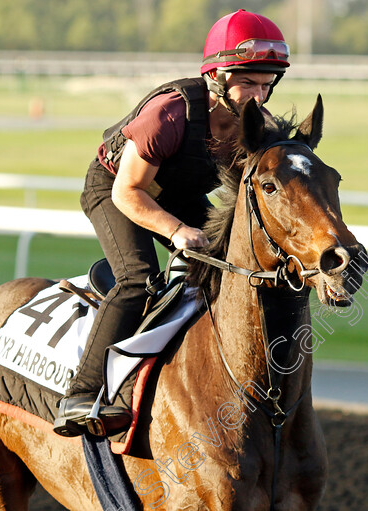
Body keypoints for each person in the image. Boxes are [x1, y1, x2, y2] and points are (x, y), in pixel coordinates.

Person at [53, 9, 291, 437]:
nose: (259, 95)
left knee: (226, 269)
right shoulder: (169, 114)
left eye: (266, 85)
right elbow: (129, 192)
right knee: (137, 279)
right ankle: (82, 394)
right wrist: (176, 231)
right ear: (217, 77)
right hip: (116, 188)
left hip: (176, 190)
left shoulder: (257, 124)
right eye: (248, 82)